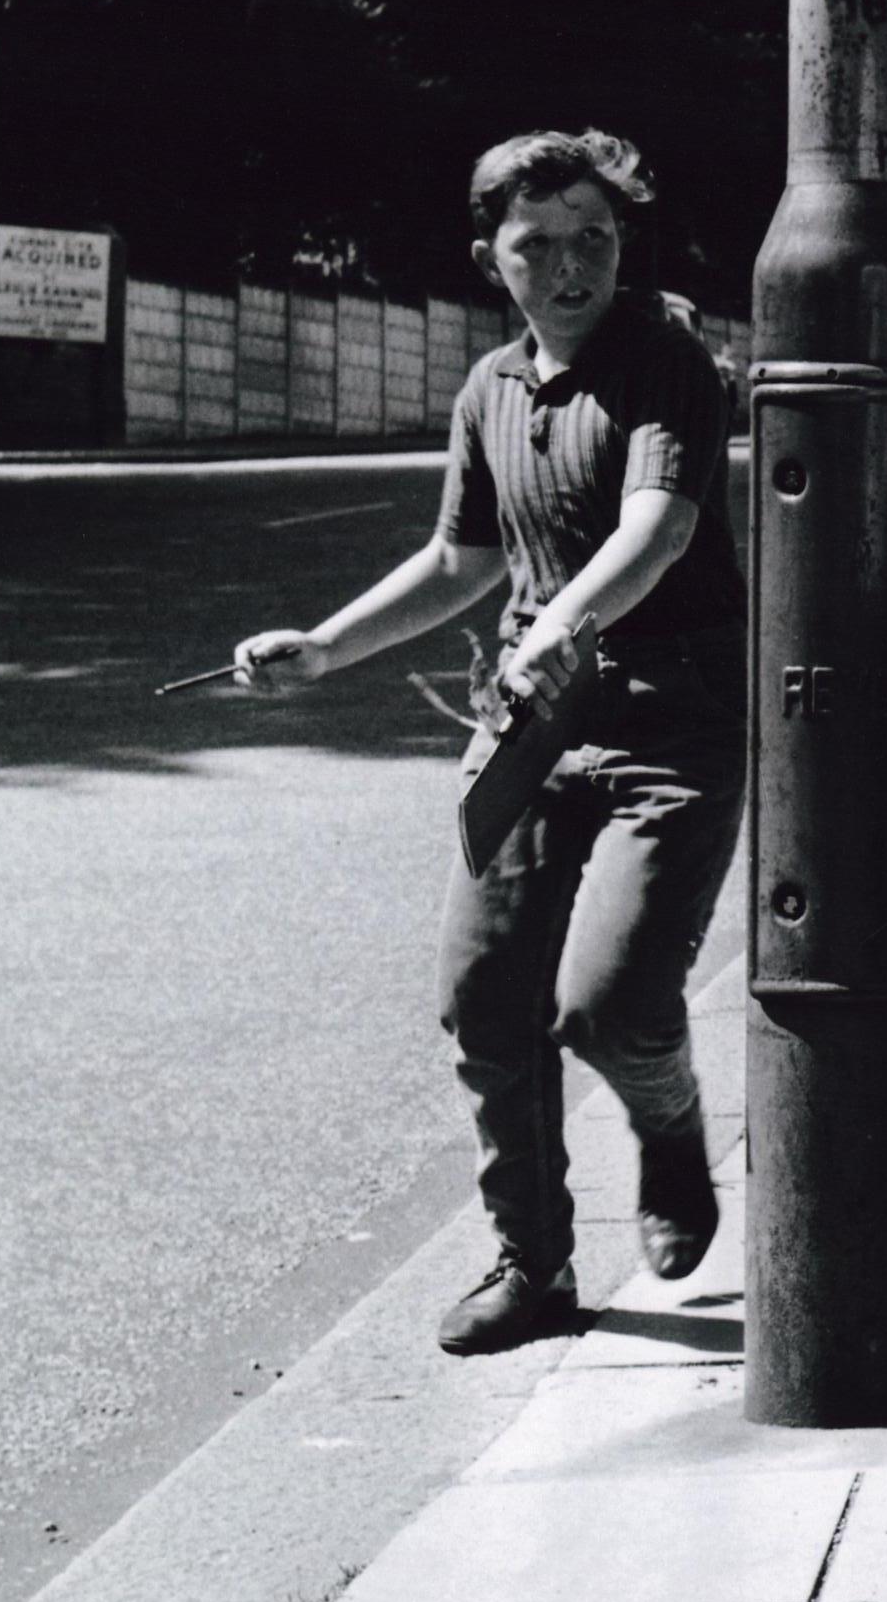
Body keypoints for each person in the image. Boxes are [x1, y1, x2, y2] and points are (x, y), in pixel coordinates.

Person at [233, 130, 744, 1355]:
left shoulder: (664, 363)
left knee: (609, 1003)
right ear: (489, 258)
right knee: (482, 1000)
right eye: (539, 245)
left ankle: (669, 1130)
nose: (570, 267)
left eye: (595, 241)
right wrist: (323, 646)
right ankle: (534, 1263)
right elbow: (460, 561)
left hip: (665, 729)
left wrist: (561, 621)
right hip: (527, 730)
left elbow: (661, 527)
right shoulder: (489, 392)